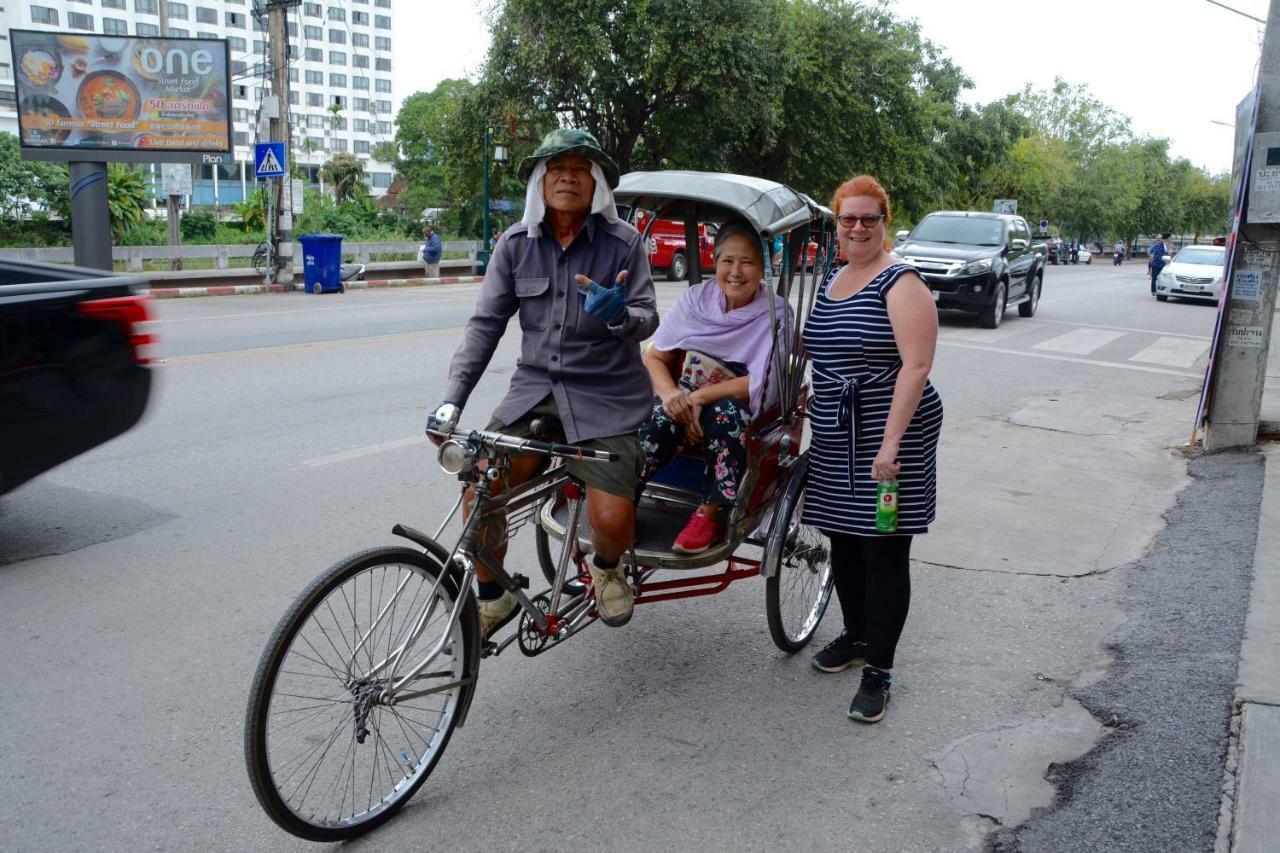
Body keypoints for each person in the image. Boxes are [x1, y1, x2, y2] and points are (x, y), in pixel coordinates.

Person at [426, 129, 658, 635]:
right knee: (479, 493)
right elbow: (485, 326)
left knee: (613, 522)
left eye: (579, 169)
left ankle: (606, 567)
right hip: (534, 393)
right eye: (557, 169)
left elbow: (647, 317)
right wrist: (451, 402)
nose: (568, 178)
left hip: (607, 396)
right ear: (541, 181)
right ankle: (493, 596)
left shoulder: (625, 244)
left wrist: (620, 317)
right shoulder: (514, 246)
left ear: (595, 182)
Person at [802, 175, 944, 724]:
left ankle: (879, 672)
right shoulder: (836, 276)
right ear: (837, 222)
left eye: (869, 218)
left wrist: (889, 444)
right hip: (839, 430)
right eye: (848, 218)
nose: (858, 227)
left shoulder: (901, 282)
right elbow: (819, 349)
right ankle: (857, 635)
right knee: (843, 539)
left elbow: (917, 366)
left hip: (894, 430)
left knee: (884, 552)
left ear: (885, 222)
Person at [637, 219, 787, 553]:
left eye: (747, 262)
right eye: (727, 261)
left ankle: (709, 511)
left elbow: (764, 382)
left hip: (735, 404)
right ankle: (624, 497)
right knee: (661, 418)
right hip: (684, 395)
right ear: (715, 264)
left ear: (763, 268)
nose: (736, 271)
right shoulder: (694, 300)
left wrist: (700, 398)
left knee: (725, 416)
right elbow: (654, 357)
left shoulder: (777, 314)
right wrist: (673, 396)